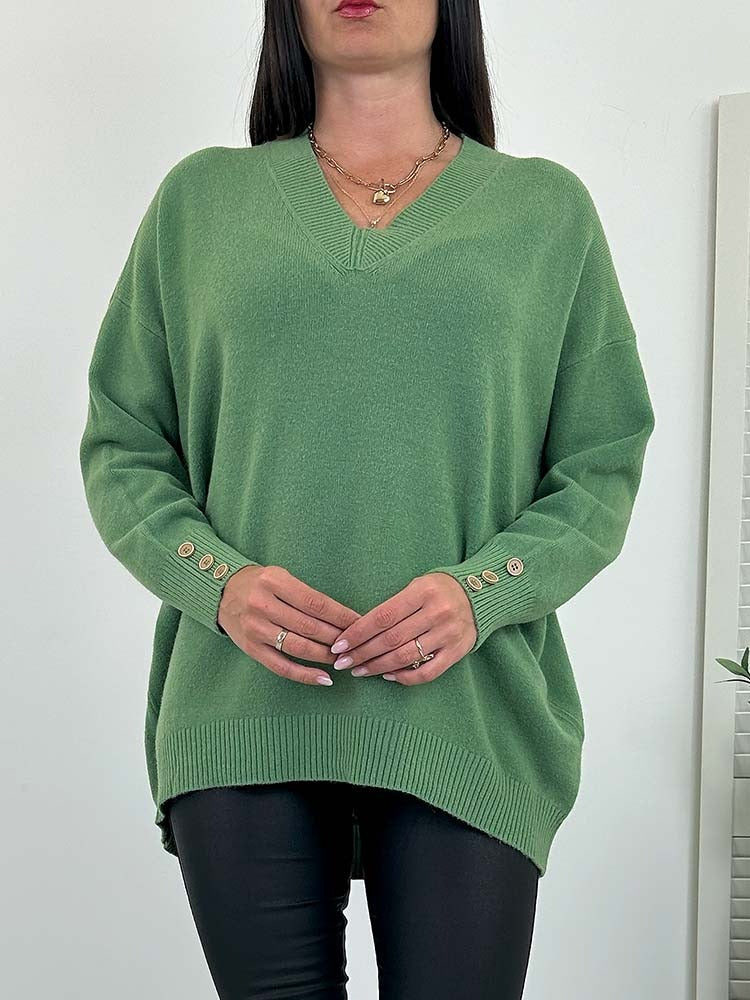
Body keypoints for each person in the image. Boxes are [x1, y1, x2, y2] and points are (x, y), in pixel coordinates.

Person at [78, 0, 656, 997]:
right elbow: (124, 445)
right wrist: (220, 583)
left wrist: (481, 593)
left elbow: (602, 463)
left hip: (468, 715)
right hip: (241, 711)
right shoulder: (200, 202)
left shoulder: (545, 211)